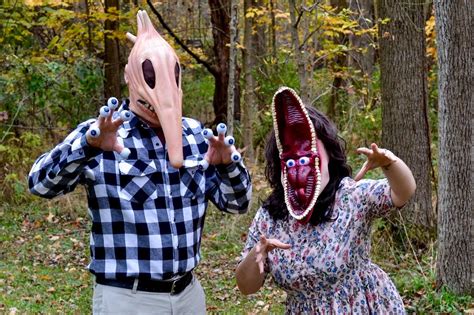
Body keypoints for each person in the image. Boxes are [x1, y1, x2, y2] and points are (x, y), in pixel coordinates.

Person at [28, 10, 251, 315]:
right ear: (129, 76)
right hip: (128, 300)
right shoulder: (103, 132)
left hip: (188, 296)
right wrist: (87, 147)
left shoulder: (198, 137)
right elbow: (39, 182)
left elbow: (237, 204)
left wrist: (227, 166)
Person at [236, 87, 415, 314]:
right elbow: (246, 287)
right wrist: (256, 255)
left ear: (328, 153)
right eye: (292, 160)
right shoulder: (271, 216)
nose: (302, 165)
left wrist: (390, 163)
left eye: (310, 152)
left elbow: (403, 192)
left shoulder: (350, 196)